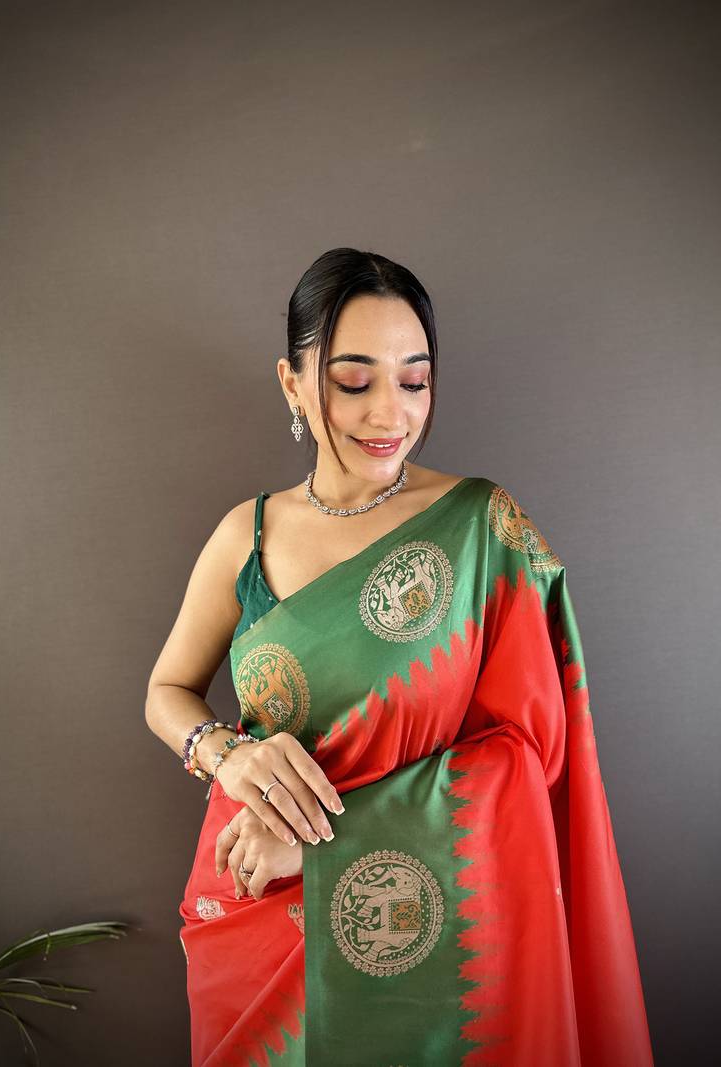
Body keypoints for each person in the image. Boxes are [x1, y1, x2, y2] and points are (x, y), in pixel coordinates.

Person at [145, 247, 654, 1066]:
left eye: (414, 381)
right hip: (252, 910)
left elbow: (526, 758)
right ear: (291, 384)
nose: (392, 412)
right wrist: (227, 756)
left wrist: (322, 848)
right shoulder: (249, 534)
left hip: (425, 936)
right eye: (354, 381)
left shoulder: (480, 529)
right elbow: (168, 689)